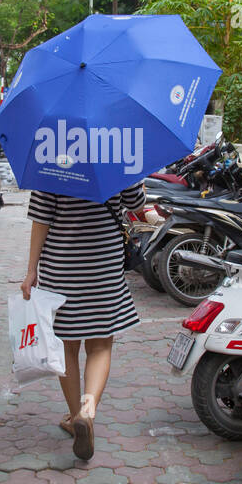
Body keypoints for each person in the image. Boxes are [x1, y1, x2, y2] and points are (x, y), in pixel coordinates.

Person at [21, 180, 147, 460]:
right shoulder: (118, 152)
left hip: (60, 263)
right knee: (100, 345)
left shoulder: (50, 155)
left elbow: (41, 219)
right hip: (104, 262)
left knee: (67, 346)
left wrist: (31, 269)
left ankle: (75, 416)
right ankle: (88, 412)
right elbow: (137, 206)